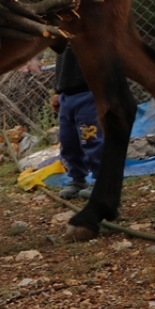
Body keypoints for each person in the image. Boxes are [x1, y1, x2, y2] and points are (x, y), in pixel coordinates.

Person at [51, 44, 103, 199]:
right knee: (68, 141)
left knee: (91, 140)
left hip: (88, 92)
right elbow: (61, 66)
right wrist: (58, 92)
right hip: (67, 95)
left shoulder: (87, 26)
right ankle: (77, 179)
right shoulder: (62, 30)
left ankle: (101, 181)